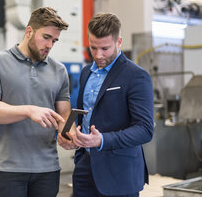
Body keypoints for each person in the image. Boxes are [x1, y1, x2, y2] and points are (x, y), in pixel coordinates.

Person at [0, 7, 72, 197]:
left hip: (48, 169)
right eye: (45, 37)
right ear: (29, 31)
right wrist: (28, 110)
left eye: (54, 40)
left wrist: (69, 133)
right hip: (8, 169)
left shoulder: (59, 70)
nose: (50, 45)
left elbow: (64, 114)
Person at [58, 13, 154, 197]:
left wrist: (102, 140)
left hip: (119, 173)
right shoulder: (86, 72)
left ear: (119, 42)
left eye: (105, 48)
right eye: (93, 48)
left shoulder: (136, 76)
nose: (98, 55)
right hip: (85, 167)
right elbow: (82, 115)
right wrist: (69, 134)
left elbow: (145, 129)